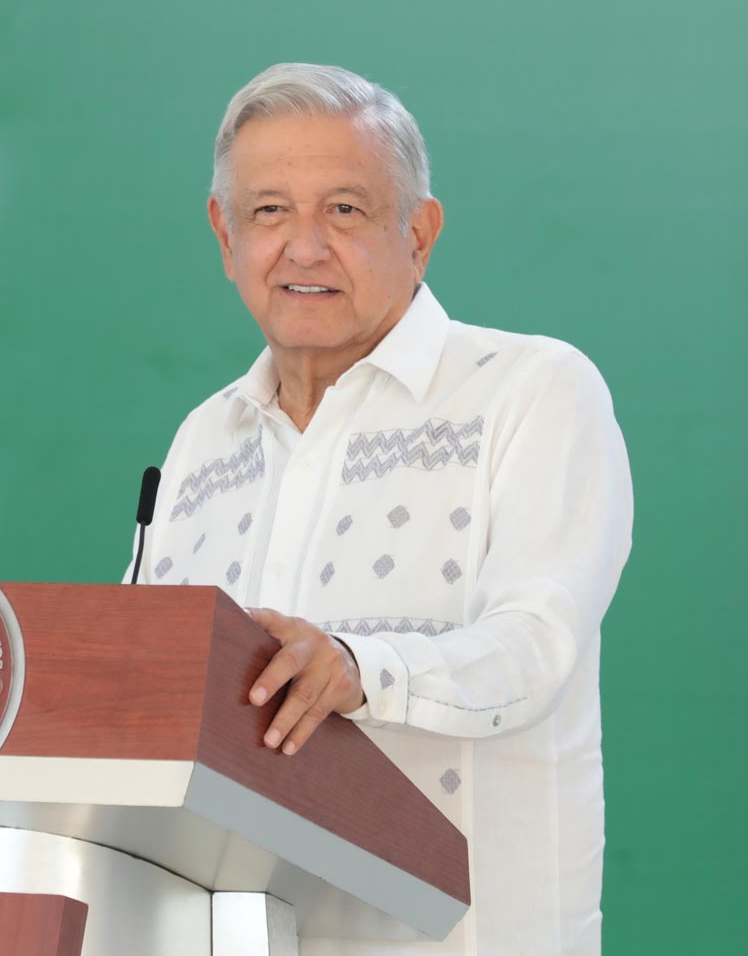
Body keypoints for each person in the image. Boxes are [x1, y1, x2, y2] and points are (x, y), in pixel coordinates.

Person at [134, 62, 632, 955]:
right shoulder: (204, 440)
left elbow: (536, 646)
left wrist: (362, 671)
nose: (304, 247)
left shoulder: (532, 391)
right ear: (225, 235)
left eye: (345, 210)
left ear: (420, 233)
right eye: (269, 211)